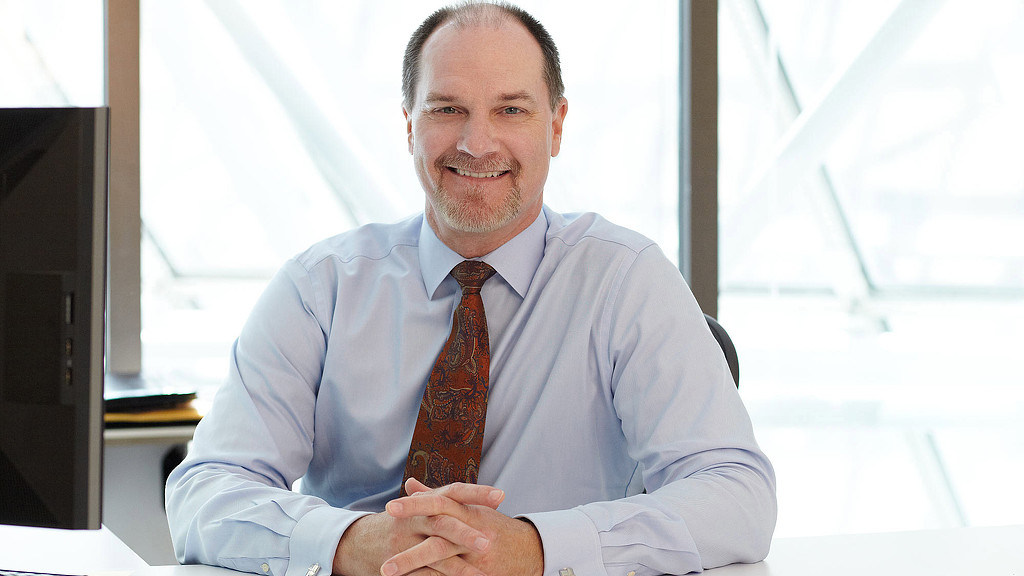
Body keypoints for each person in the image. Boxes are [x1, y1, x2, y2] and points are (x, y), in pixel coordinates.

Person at [164, 2, 777, 576]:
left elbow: (736, 495)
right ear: (409, 126)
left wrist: (534, 547)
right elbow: (205, 490)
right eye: (446, 109)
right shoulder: (318, 288)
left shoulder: (625, 280)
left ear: (556, 126)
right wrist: (354, 542)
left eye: (510, 109)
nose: (476, 143)